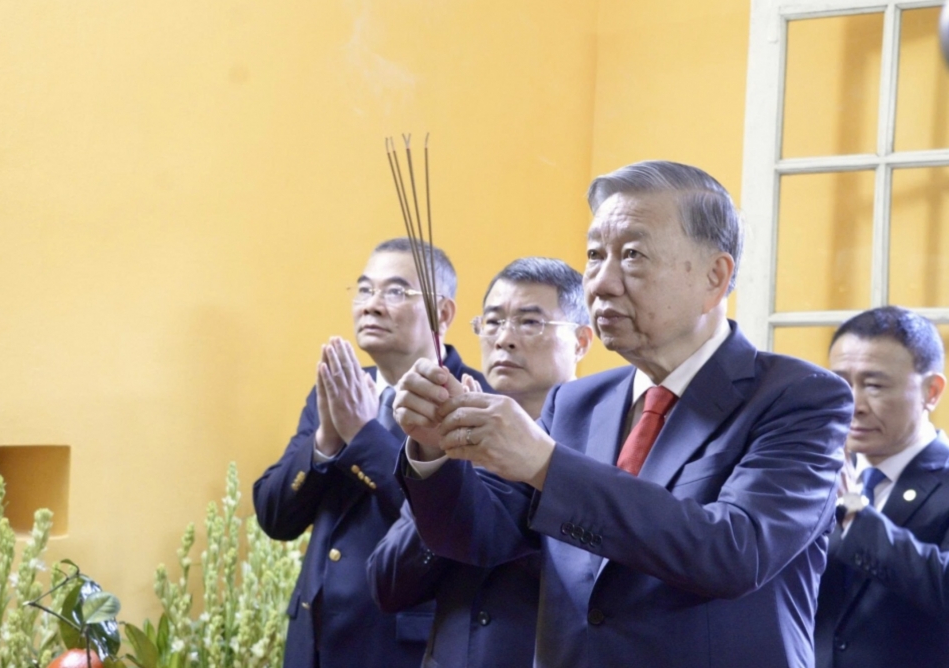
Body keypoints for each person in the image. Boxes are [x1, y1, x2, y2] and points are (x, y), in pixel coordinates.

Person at [392, 160, 854, 668]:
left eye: (632, 255)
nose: (602, 283)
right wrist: (433, 449)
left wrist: (547, 464)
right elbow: (478, 535)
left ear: (714, 277)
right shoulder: (576, 402)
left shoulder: (800, 398)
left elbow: (733, 552)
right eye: (595, 255)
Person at [253, 238, 487, 668]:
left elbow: (451, 523)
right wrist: (326, 439)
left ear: (443, 313)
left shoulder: (472, 397)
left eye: (395, 291)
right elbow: (274, 517)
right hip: (313, 644)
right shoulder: (341, 387)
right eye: (364, 290)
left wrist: (361, 434)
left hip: (402, 646)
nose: (372, 306)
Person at [367, 257, 593, 668]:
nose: (504, 338)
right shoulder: (455, 440)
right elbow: (387, 584)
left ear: (580, 341)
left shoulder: (605, 437)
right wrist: (441, 460)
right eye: (492, 322)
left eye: (529, 322)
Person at [815, 306, 949, 668]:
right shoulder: (818, 477)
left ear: (932, 391)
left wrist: (854, 514)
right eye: (841, 383)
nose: (853, 405)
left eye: (874, 386)